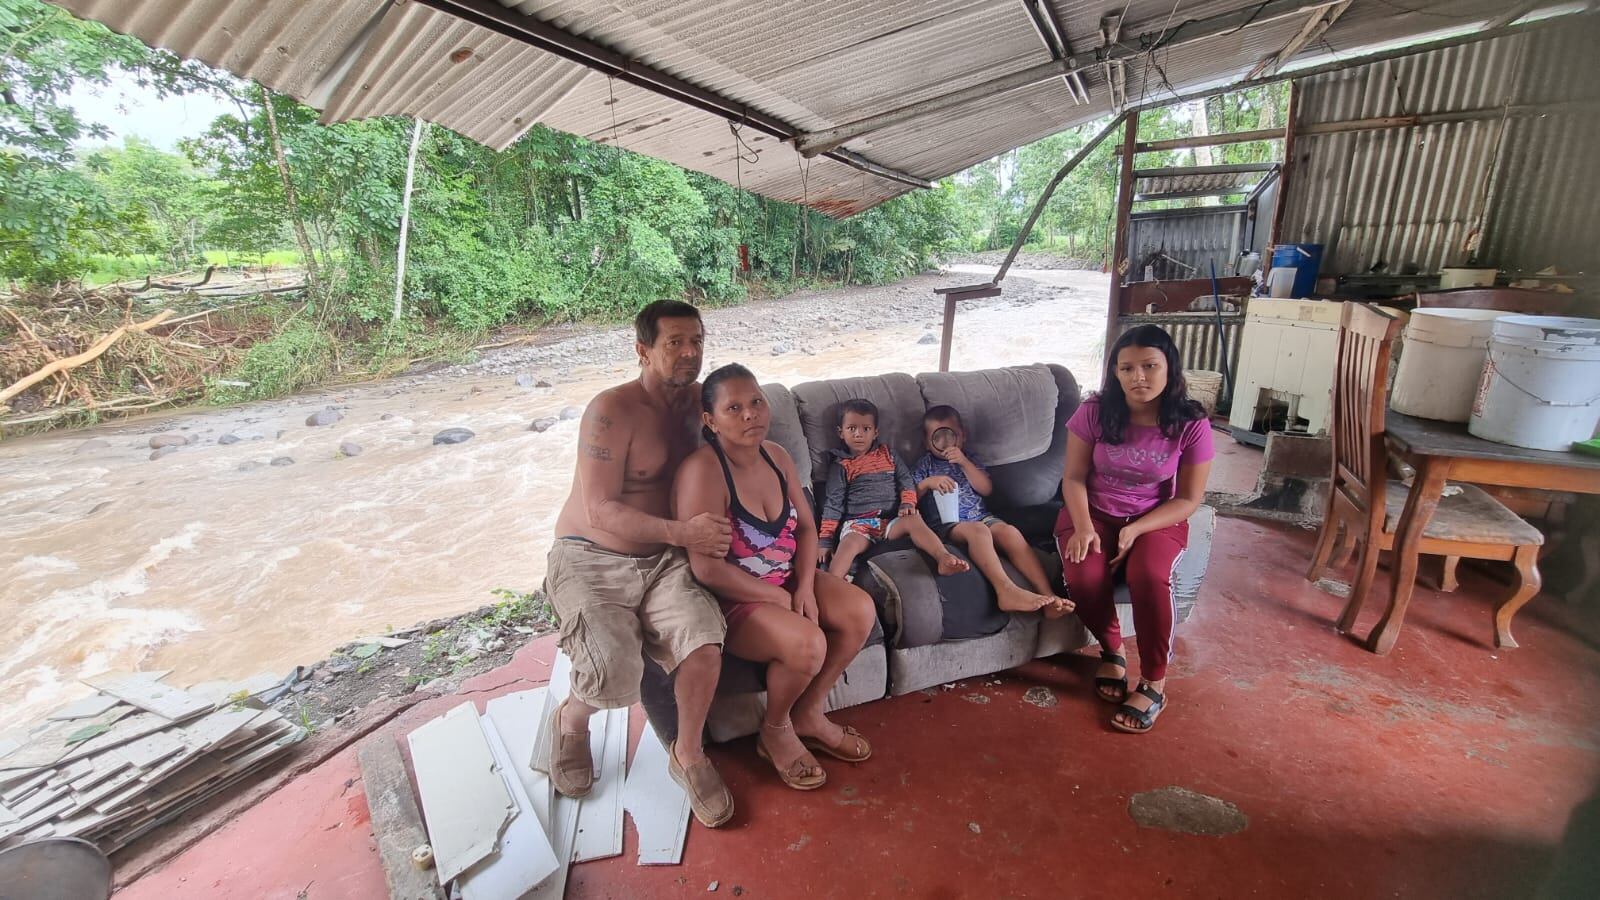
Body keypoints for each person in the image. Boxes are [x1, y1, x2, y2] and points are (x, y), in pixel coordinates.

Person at [545, 299, 735, 827]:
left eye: (696, 341)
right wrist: (684, 532)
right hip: (591, 556)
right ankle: (572, 721)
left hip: (664, 560)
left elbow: (746, 435)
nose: (689, 353)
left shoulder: (703, 405)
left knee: (703, 642)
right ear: (642, 351)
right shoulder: (612, 411)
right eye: (674, 343)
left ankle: (688, 753)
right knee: (613, 671)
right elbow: (600, 508)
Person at [674, 365, 877, 790]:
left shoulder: (777, 456)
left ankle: (809, 712)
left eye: (756, 402)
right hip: (734, 597)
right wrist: (777, 598)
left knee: (859, 609)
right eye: (734, 408)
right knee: (808, 643)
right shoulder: (703, 471)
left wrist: (803, 586)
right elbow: (707, 568)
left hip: (787, 577)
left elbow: (805, 528)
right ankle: (777, 728)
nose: (750, 414)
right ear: (711, 421)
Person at [1056, 324, 1213, 734]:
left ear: (1170, 368)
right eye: (1126, 368)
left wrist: (1136, 530)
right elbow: (1072, 478)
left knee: (1149, 576)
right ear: (1114, 372)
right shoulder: (1095, 411)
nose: (1137, 377)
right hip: (1092, 510)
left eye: (1149, 366)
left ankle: (1155, 682)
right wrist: (1085, 527)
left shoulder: (1191, 423)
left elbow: (1188, 499)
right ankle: (1112, 650)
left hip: (1157, 517)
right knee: (1083, 574)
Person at [912, 405, 1072, 616]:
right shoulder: (925, 465)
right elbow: (909, 498)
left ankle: (1048, 597)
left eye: (951, 436)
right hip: (948, 525)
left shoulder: (969, 458)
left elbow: (986, 489)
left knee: (1010, 532)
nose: (945, 444)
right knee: (979, 531)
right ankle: (1005, 590)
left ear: (963, 436)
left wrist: (964, 463)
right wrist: (926, 484)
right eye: (937, 438)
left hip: (982, 516)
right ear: (926, 442)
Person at [818, 399, 971, 579]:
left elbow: (905, 481)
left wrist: (907, 503)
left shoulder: (889, 455)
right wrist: (825, 541)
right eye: (852, 428)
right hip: (858, 524)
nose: (858, 434)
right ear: (841, 432)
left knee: (914, 519)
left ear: (875, 433)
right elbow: (833, 504)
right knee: (849, 545)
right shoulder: (841, 465)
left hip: (891, 521)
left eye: (865, 429)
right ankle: (832, 584)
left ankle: (943, 557)